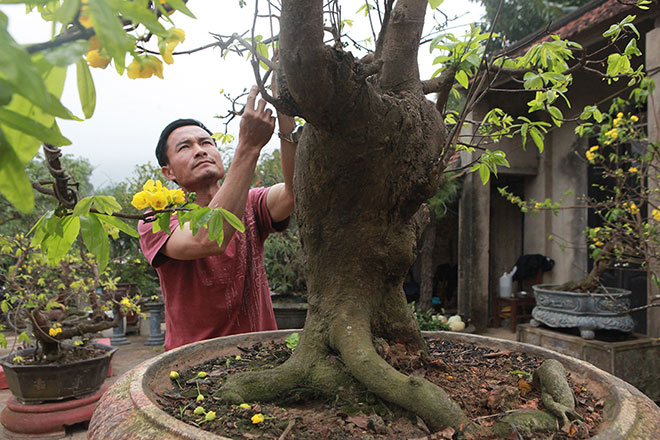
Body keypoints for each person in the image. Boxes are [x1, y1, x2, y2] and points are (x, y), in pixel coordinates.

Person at [138, 86, 297, 351]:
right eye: (185, 147)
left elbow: (294, 192)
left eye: (206, 143)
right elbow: (209, 239)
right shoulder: (159, 218)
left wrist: (284, 110)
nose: (200, 151)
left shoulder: (252, 203)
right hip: (194, 366)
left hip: (262, 354)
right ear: (168, 172)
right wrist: (248, 147)